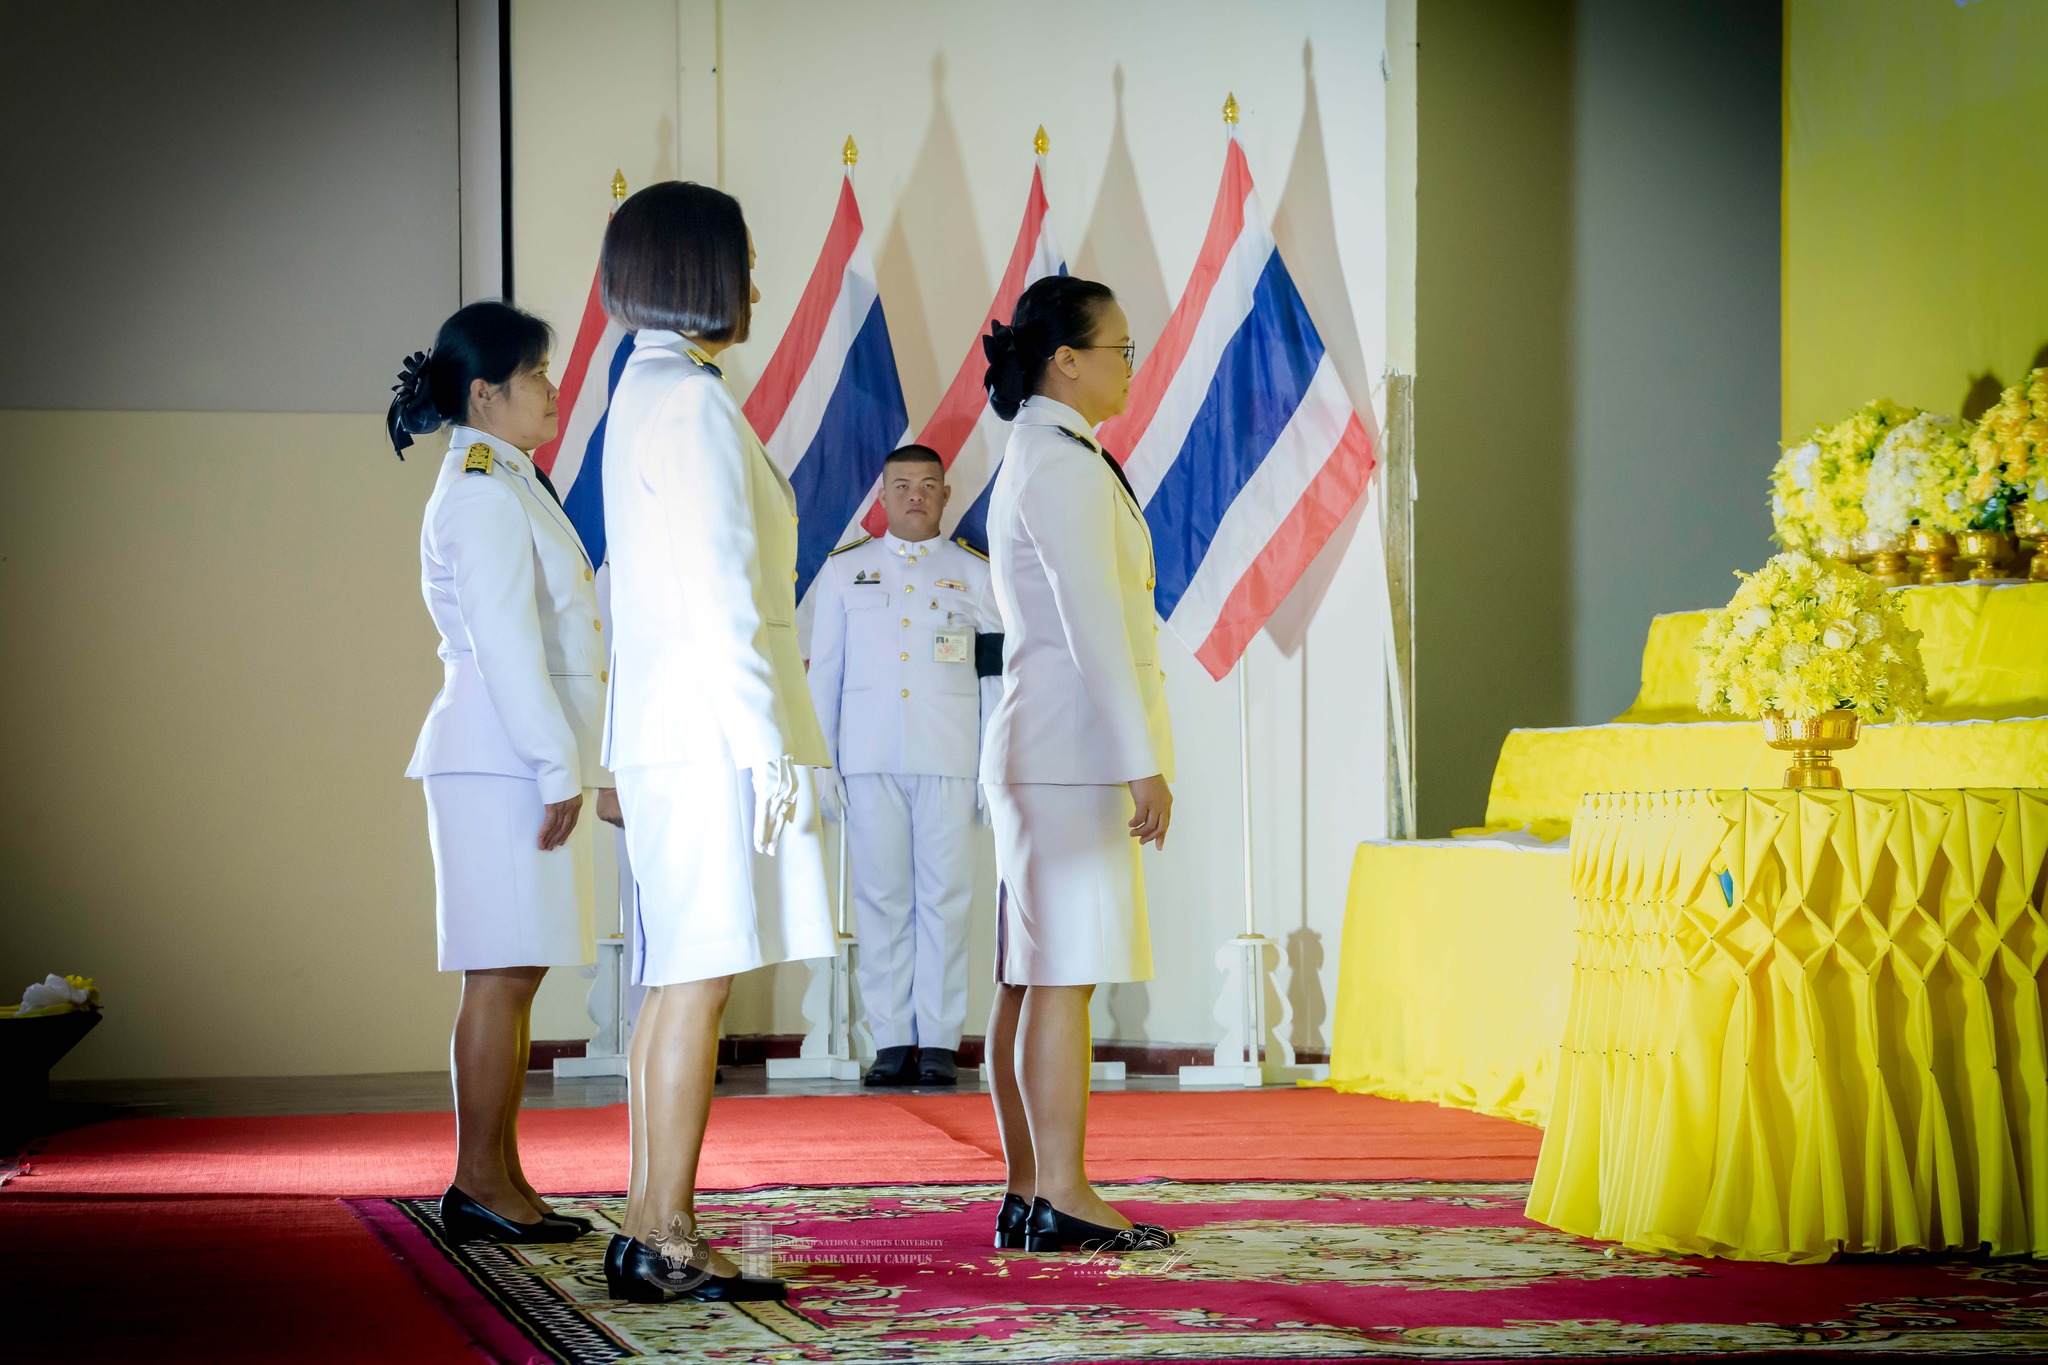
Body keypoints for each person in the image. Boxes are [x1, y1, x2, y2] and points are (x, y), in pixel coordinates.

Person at [597, 181, 835, 1304]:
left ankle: (648, 1222)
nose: (755, 287)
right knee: (695, 986)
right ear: (698, 270)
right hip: (709, 733)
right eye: (742, 263)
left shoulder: (646, 389)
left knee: (674, 983)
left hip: (674, 728)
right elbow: (721, 596)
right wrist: (765, 744)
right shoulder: (688, 403)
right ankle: (666, 1236)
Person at [390, 300, 624, 1247]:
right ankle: (479, 1181)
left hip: (513, 755)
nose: (554, 390)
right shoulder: (484, 492)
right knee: (499, 973)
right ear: (485, 394)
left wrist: (571, 762)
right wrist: (557, 765)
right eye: (538, 375)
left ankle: (498, 1175)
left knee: (515, 972)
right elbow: (507, 646)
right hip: (500, 758)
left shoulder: (509, 479)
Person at [978, 275, 1176, 1255]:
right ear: (1065, 360)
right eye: (1120, 349)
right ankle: (1060, 1190)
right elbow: (1095, 628)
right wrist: (1142, 763)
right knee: (1063, 975)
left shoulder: (1053, 450)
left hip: (1049, 749)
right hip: (1070, 755)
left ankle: (1029, 1189)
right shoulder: (1058, 463)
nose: (1130, 367)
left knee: (1033, 975)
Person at [806, 446, 1002, 1088]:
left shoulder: (975, 573)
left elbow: (994, 678)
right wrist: (823, 763)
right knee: (881, 900)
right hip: (868, 758)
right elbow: (825, 675)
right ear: (882, 496)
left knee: (946, 900)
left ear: (945, 495)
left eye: (927, 485)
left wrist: (993, 763)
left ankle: (940, 1039)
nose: (915, 495)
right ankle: (891, 1039)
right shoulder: (845, 571)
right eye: (902, 485)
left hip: (950, 756)